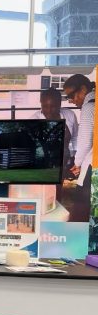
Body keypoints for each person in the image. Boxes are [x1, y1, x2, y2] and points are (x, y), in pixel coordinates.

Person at [63, 74, 95, 222]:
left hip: (92, 165)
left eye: (71, 95)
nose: (71, 100)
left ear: (83, 89)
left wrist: (77, 164)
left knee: (82, 207)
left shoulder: (89, 107)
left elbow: (84, 142)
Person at [32, 87, 78, 166]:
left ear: (60, 104)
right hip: (45, 161)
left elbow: (75, 138)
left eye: (53, 106)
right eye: (45, 106)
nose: (49, 110)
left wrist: (74, 158)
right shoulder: (35, 119)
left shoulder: (70, 115)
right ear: (41, 104)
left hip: (67, 160)